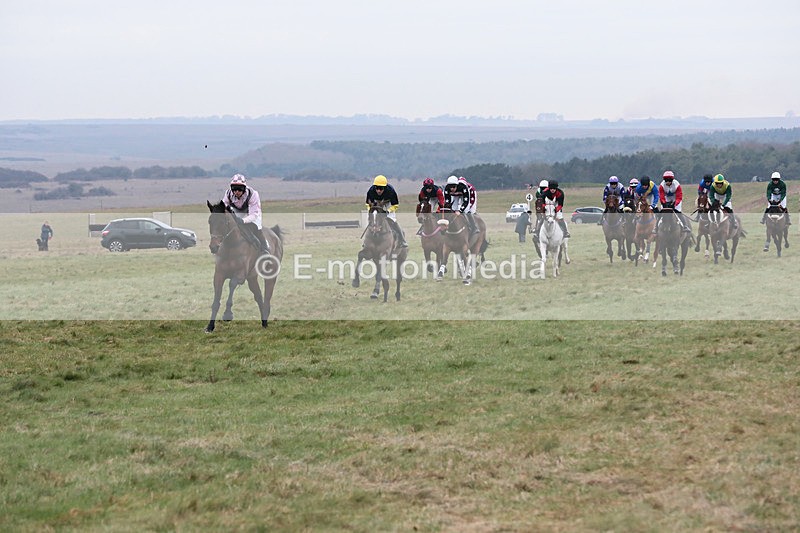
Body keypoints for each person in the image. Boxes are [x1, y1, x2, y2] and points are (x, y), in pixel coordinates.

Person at [222, 174, 271, 255]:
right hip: (237, 212)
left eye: (240, 189)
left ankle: (265, 249)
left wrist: (243, 220)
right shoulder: (228, 194)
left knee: (256, 228)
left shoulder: (253, 194)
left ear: (244, 188)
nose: (236, 192)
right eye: (234, 188)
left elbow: (253, 214)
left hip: (253, 214)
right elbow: (223, 206)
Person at [365, 174, 408, 247]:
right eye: (377, 188)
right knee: (373, 220)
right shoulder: (371, 191)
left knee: (393, 220)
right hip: (376, 204)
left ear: (384, 188)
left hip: (388, 204)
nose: (378, 191)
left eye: (381, 188)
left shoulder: (391, 191)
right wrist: (371, 211)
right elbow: (367, 204)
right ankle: (366, 241)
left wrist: (388, 211)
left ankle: (402, 240)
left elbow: (395, 205)